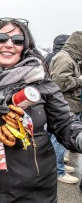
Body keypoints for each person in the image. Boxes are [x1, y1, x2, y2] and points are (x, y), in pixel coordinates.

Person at [0, 18, 82, 202]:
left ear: (24, 47)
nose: (9, 44)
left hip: (32, 193)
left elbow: (65, 124)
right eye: (2, 38)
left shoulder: (41, 82)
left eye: (17, 41)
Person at [46, 34, 79, 184]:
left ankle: (56, 167)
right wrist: (79, 80)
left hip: (66, 103)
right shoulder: (65, 58)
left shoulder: (67, 57)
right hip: (65, 104)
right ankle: (58, 170)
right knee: (58, 140)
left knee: (54, 139)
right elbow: (58, 82)